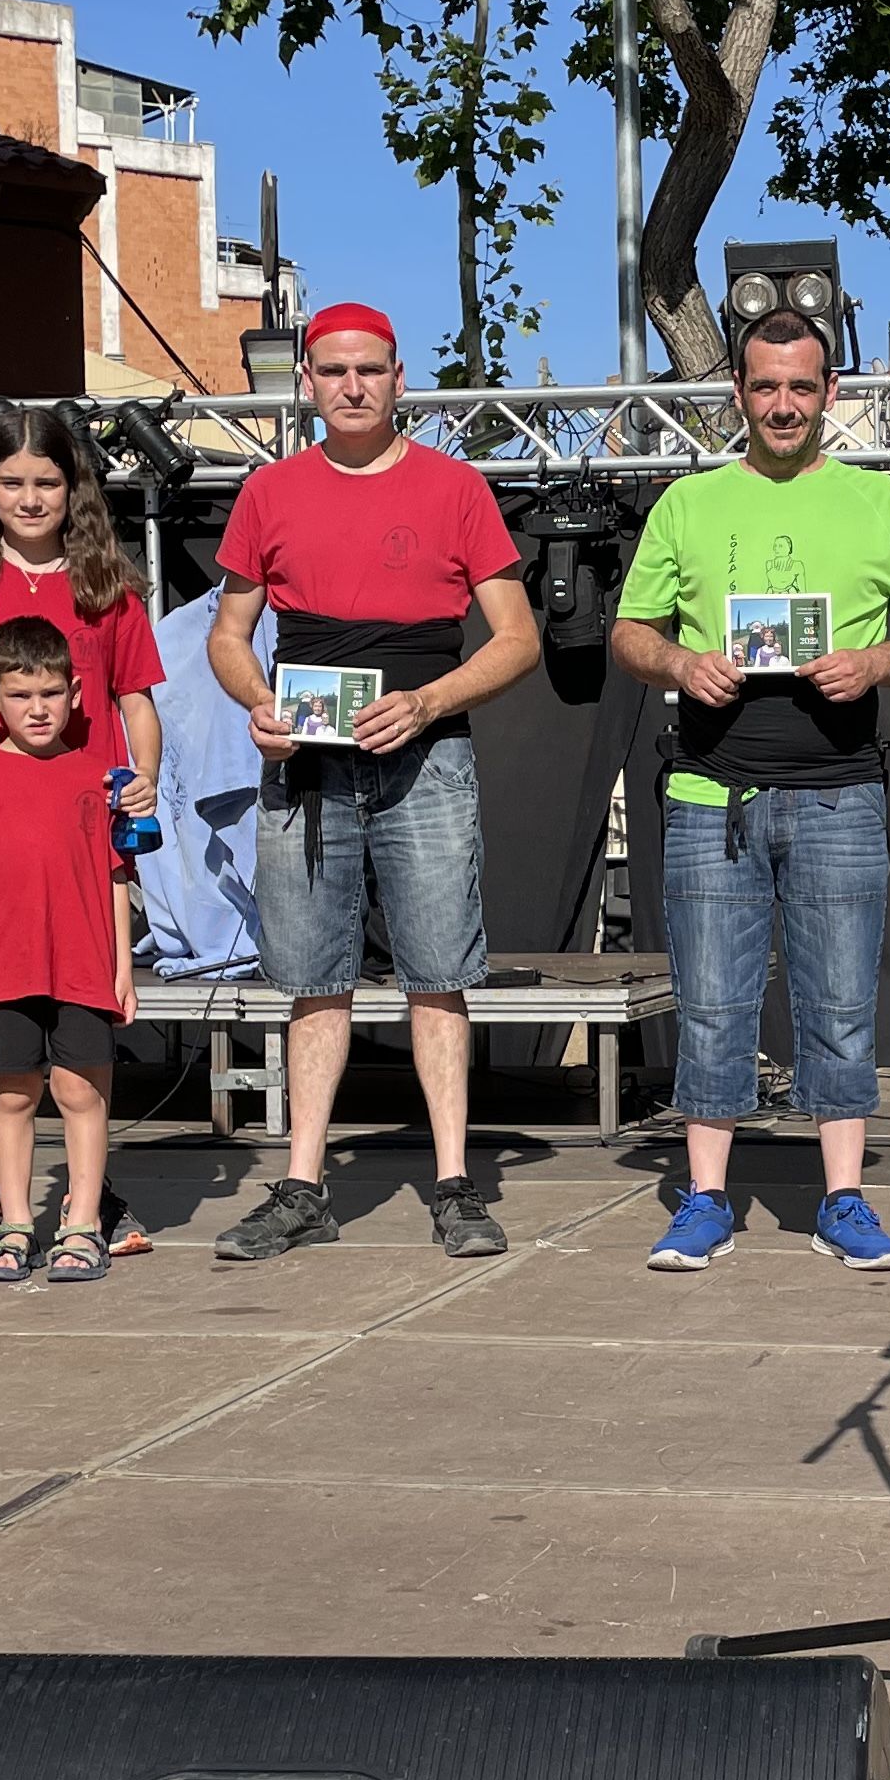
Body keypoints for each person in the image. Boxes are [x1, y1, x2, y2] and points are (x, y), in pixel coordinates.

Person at [611, 307, 890, 1272]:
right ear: (738, 396)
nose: (784, 404)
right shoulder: (688, 502)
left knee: (840, 1004)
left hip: (841, 792)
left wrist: (881, 660)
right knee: (713, 1002)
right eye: (765, 387)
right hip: (711, 794)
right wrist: (682, 663)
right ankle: (705, 1197)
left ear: (831, 393)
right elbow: (630, 633)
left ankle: (843, 1198)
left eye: (802, 386)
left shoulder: (879, 502)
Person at [205, 304, 540, 1260]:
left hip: (426, 759)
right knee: (314, 981)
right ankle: (303, 1187)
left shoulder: (456, 487)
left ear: (400, 381)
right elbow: (228, 640)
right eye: (334, 370)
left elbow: (517, 639)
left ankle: (454, 1185)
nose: (352, 386)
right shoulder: (269, 492)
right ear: (306, 383)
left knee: (439, 976)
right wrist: (259, 706)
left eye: (371, 370)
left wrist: (429, 703)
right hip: (306, 763)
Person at [0, 405, 164, 1273]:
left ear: (73, 486)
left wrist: (148, 778)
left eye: (46, 481)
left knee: (80, 1023)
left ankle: (87, 1202)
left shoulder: (108, 588)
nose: (29, 497)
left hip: (87, 826)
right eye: (12, 482)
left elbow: (135, 702)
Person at [0, 620, 138, 1281]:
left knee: (82, 1092)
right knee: (12, 1097)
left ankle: (81, 1227)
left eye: (51, 693)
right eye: (20, 696)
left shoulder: (93, 780)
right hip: (0, 972)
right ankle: (15, 1223)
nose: (38, 708)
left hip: (82, 970)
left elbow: (113, 878)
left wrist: (123, 970)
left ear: (76, 693)